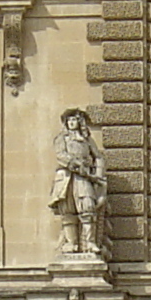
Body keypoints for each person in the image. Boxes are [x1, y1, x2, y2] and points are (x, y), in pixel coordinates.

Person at [49, 109, 105, 258]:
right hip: (66, 177)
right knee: (68, 211)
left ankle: (90, 243)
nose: (72, 123)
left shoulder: (87, 140)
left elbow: (98, 157)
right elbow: (61, 156)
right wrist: (76, 165)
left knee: (88, 208)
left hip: (84, 178)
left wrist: (98, 175)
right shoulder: (61, 138)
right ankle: (71, 243)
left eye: (75, 120)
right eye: (69, 120)